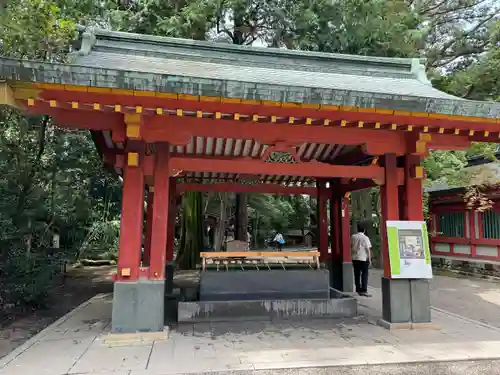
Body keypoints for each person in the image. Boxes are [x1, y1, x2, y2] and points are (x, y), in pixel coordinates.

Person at [351, 222, 372, 297]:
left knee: (357, 274)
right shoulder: (365, 238)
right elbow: (368, 249)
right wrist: (369, 260)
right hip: (363, 258)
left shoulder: (353, 237)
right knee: (364, 274)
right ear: (364, 230)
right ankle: (364, 289)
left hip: (355, 258)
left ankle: (358, 289)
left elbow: (351, 246)